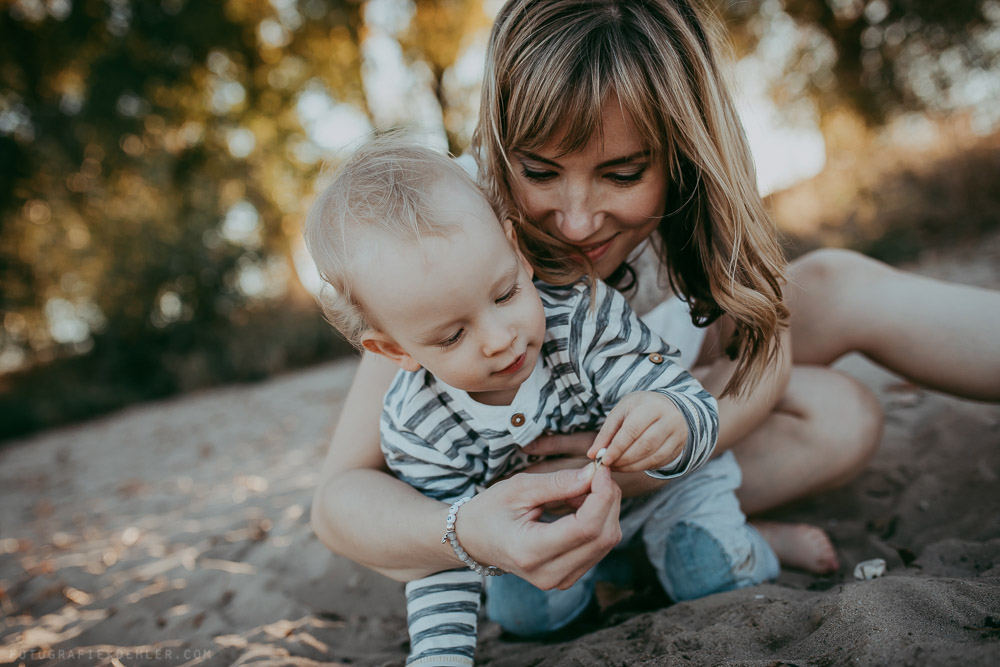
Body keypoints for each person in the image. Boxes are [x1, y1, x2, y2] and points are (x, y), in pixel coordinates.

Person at [310, 0, 1000, 628]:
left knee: (839, 348)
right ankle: (648, 550)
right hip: (528, 491)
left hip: (653, 420)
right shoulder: (454, 236)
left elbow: (769, 348)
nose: (577, 221)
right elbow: (338, 502)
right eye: (541, 172)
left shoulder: (700, 208)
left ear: (681, 150)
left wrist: (661, 450)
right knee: (833, 405)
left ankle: (665, 531)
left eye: (621, 174)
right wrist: (465, 528)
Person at [304, 136, 778, 665]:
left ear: (517, 252)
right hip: (550, 528)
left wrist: (675, 420)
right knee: (525, 615)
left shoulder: (579, 318)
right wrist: (440, 657)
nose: (499, 338)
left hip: (665, 494)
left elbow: (688, 398)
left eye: (505, 295)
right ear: (393, 349)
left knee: (706, 570)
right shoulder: (418, 427)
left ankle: (766, 547)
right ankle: (611, 583)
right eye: (451, 336)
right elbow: (442, 560)